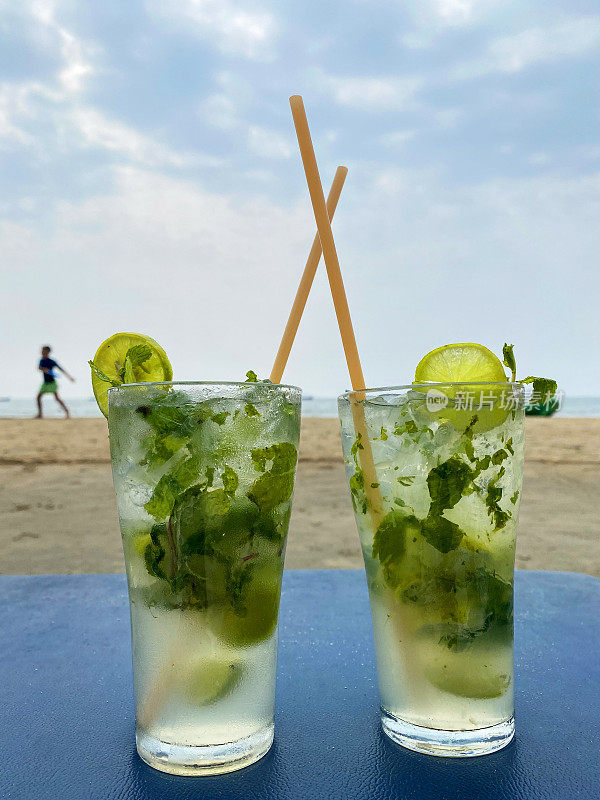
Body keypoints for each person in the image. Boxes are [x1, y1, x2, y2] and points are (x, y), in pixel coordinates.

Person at [36, 345, 75, 418]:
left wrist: (70, 377)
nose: (42, 352)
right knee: (38, 397)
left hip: (52, 383)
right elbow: (39, 368)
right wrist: (44, 369)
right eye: (42, 350)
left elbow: (61, 369)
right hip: (45, 383)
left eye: (43, 350)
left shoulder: (51, 361)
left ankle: (67, 412)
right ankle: (40, 414)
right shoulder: (42, 360)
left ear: (48, 352)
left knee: (57, 398)